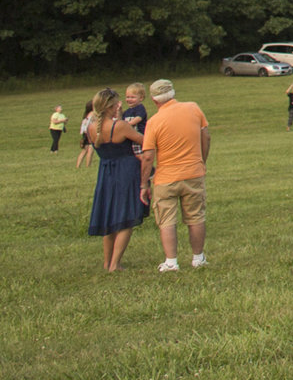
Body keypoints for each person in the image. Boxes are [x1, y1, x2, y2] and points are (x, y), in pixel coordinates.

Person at [140, 78, 210, 272]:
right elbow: (206, 135)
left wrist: (144, 184)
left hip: (166, 177)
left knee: (166, 220)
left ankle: (171, 261)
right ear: (173, 93)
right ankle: (198, 257)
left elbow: (147, 157)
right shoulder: (193, 108)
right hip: (193, 172)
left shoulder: (153, 122)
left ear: (154, 100)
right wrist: (201, 161)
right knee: (196, 216)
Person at [84, 89, 146, 272]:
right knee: (127, 217)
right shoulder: (120, 126)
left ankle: (107, 262)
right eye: (117, 103)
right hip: (125, 171)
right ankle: (115, 264)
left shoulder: (90, 127)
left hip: (105, 173)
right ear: (110, 107)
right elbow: (145, 140)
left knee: (109, 218)